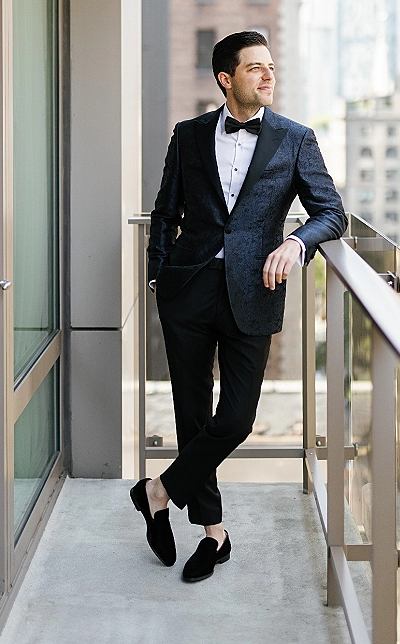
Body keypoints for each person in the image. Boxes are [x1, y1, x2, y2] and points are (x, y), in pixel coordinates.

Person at [130, 31, 347, 582]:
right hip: (188, 290)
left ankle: (158, 493)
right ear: (227, 79)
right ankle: (213, 535)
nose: (267, 76)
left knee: (235, 418)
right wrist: (160, 277)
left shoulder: (295, 139)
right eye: (255, 68)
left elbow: (331, 212)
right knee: (192, 414)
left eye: (270, 67)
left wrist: (296, 244)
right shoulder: (188, 135)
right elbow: (166, 208)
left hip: (254, 292)